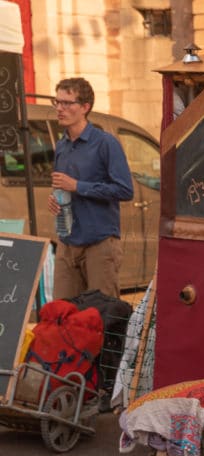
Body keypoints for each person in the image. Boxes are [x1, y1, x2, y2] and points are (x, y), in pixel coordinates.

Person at [47, 77, 134, 300]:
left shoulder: (106, 143)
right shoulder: (62, 146)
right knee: (62, 314)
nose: (59, 108)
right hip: (67, 241)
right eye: (56, 102)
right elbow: (62, 187)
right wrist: (55, 199)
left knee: (101, 316)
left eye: (67, 103)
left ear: (85, 107)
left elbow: (124, 190)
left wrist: (78, 186)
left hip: (100, 243)